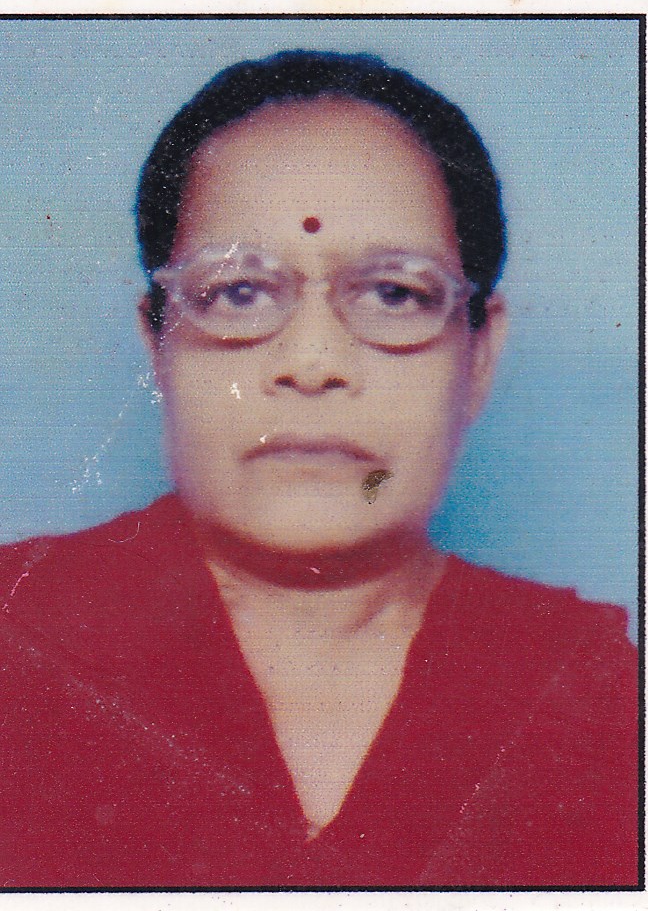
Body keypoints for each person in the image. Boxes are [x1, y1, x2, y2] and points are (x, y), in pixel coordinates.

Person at [0, 50, 637, 888]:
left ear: (480, 354)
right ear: (156, 344)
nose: (312, 364)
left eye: (394, 294)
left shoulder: (595, 702)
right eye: (236, 291)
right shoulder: (19, 640)